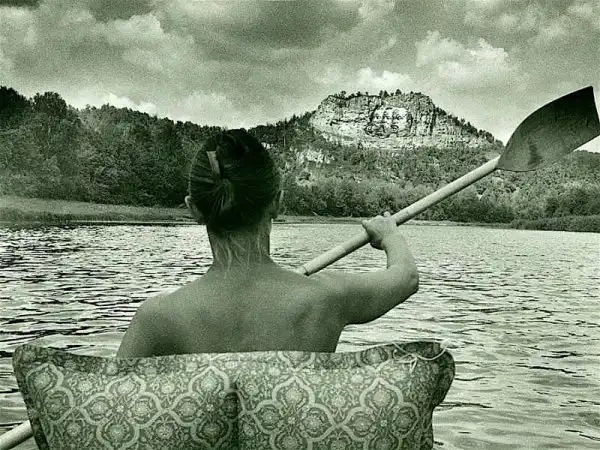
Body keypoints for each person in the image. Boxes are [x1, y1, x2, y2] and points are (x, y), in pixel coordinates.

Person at [117, 129, 418, 357]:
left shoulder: (156, 318)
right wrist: (389, 235)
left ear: (193, 209)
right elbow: (406, 277)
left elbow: (113, 405)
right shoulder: (327, 298)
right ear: (277, 202)